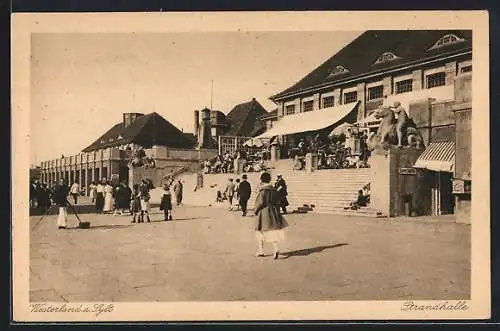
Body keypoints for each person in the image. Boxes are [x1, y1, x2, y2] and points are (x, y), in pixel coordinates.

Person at [254, 172, 288, 259]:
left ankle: (261, 250)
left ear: (261, 180)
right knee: (273, 232)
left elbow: (259, 203)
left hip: (263, 212)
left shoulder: (262, 191)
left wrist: (256, 210)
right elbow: (278, 202)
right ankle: (276, 248)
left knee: (260, 231)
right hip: (273, 211)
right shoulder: (274, 190)